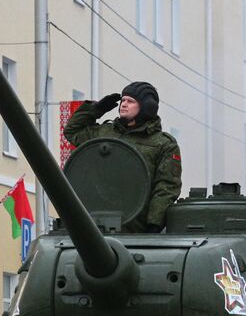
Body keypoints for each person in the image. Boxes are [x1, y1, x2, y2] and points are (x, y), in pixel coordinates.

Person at [63, 81, 182, 232]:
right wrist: (95, 110)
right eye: (123, 100)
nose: (123, 104)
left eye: (130, 101)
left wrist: (154, 224)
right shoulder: (103, 133)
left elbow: (166, 186)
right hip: (96, 218)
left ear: (147, 107)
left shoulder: (163, 144)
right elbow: (72, 131)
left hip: (135, 223)